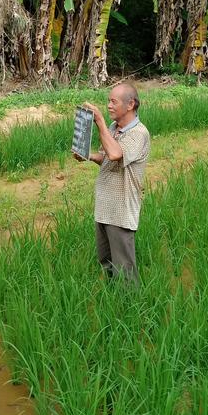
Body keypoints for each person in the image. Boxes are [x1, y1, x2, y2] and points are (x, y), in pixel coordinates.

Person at [77, 83, 150, 286]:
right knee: (107, 263)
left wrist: (99, 121)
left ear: (130, 104)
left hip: (121, 211)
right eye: (108, 101)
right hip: (104, 207)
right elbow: (107, 157)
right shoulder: (114, 128)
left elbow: (116, 154)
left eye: (113, 101)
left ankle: (131, 308)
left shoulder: (139, 133)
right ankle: (113, 302)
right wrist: (89, 156)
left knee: (124, 270)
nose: (109, 105)